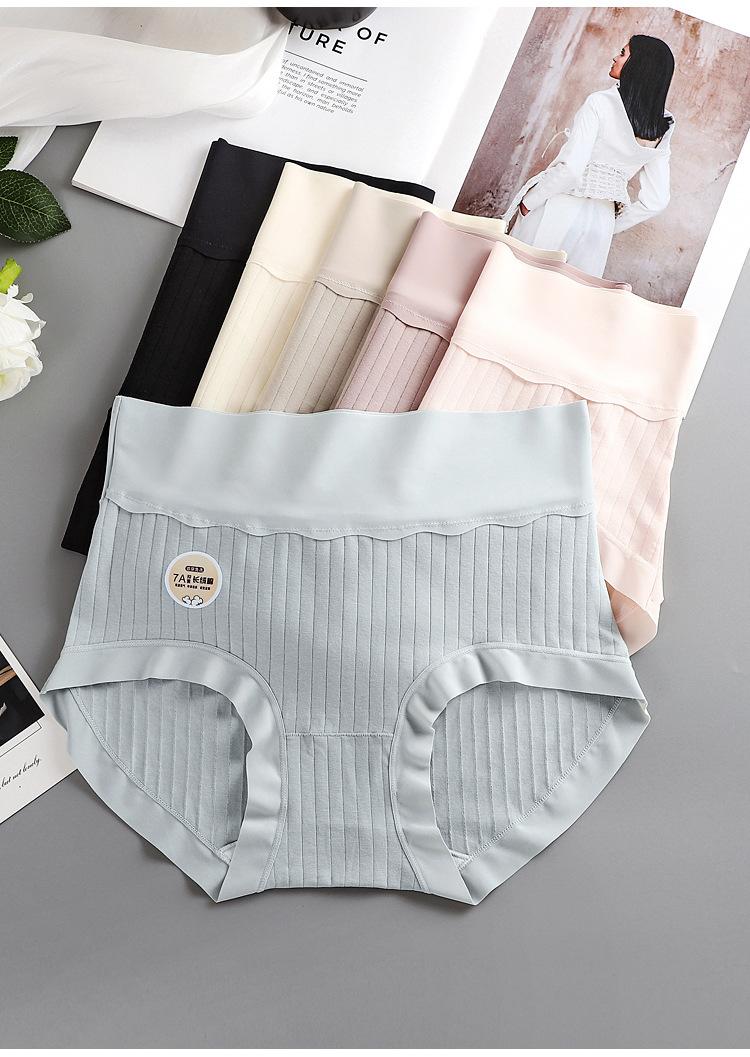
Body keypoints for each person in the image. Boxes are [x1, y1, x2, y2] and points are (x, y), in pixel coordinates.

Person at [507, 34, 675, 276]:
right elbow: (657, 200)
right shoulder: (663, 126)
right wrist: (609, 225)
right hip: (601, 222)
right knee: (565, 295)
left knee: (517, 280)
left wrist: (529, 202)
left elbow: (571, 170)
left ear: (638, 65)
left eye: (623, 53)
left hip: (559, 208)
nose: (615, 57)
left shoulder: (599, 102)